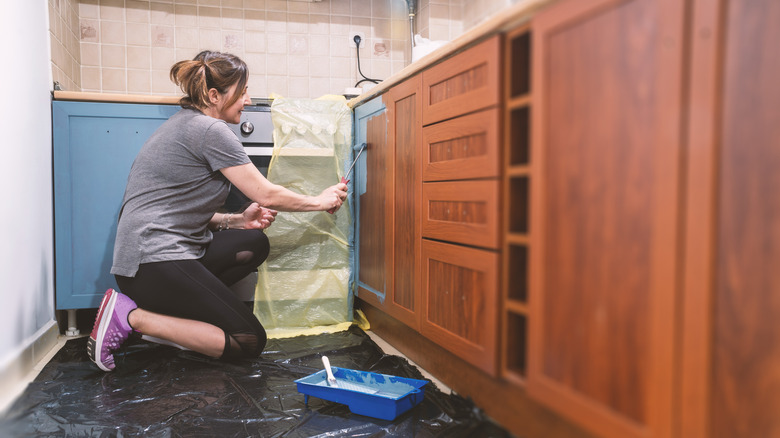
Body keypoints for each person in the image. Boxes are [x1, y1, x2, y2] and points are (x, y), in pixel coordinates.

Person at [87, 51, 348, 372]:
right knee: (248, 340)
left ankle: (173, 318)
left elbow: (175, 207)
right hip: (152, 263)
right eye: (242, 92)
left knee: (253, 243)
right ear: (214, 95)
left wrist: (237, 220)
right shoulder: (210, 130)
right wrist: (321, 201)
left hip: (149, 259)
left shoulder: (187, 125)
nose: (248, 100)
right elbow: (264, 192)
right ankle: (132, 317)